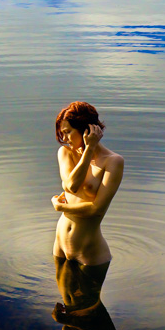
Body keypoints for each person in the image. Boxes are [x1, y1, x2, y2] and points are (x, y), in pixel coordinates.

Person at [52, 101, 124, 288]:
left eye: (67, 132)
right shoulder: (65, 153)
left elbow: (97, 209)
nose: (64, 138)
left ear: (86, 131)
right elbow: (71, 185)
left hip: (89, 253)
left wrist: (61, 207)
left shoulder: (113, 162)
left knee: (88, 311)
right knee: (67, 308)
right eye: (62, 132)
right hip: (60, 246)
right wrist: (87, 152)